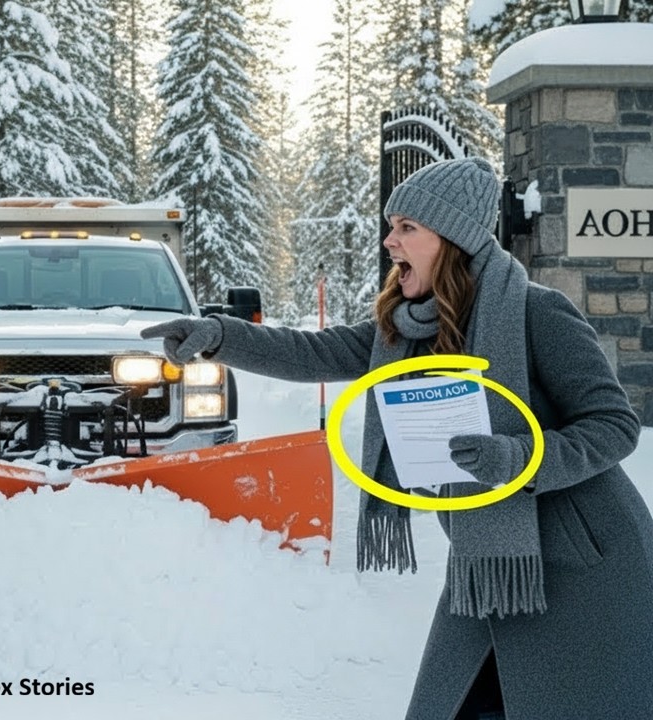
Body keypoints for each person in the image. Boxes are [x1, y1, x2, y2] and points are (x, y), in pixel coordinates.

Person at [142, 157, 653, 719]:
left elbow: (613, 424)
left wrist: (519, 458)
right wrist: (217, 336)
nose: (390, 242)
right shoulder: (409, 327)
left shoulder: (538, 313)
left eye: (407, 227)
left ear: (452, 239)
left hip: (582, 562)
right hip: (485, 564)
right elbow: (313, 351)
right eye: (392, 226)